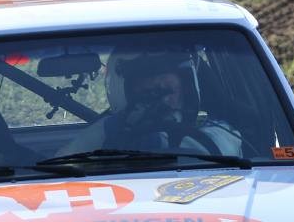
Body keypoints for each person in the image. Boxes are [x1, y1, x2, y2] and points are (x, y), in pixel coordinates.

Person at [104, 55, 246, 155]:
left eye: (168, 91)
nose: (163, 102)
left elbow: (226, 147)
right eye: (149, 94)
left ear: (187, 91)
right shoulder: (104, 131)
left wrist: (158, 141)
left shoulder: (221, 135)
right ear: (126, 96)